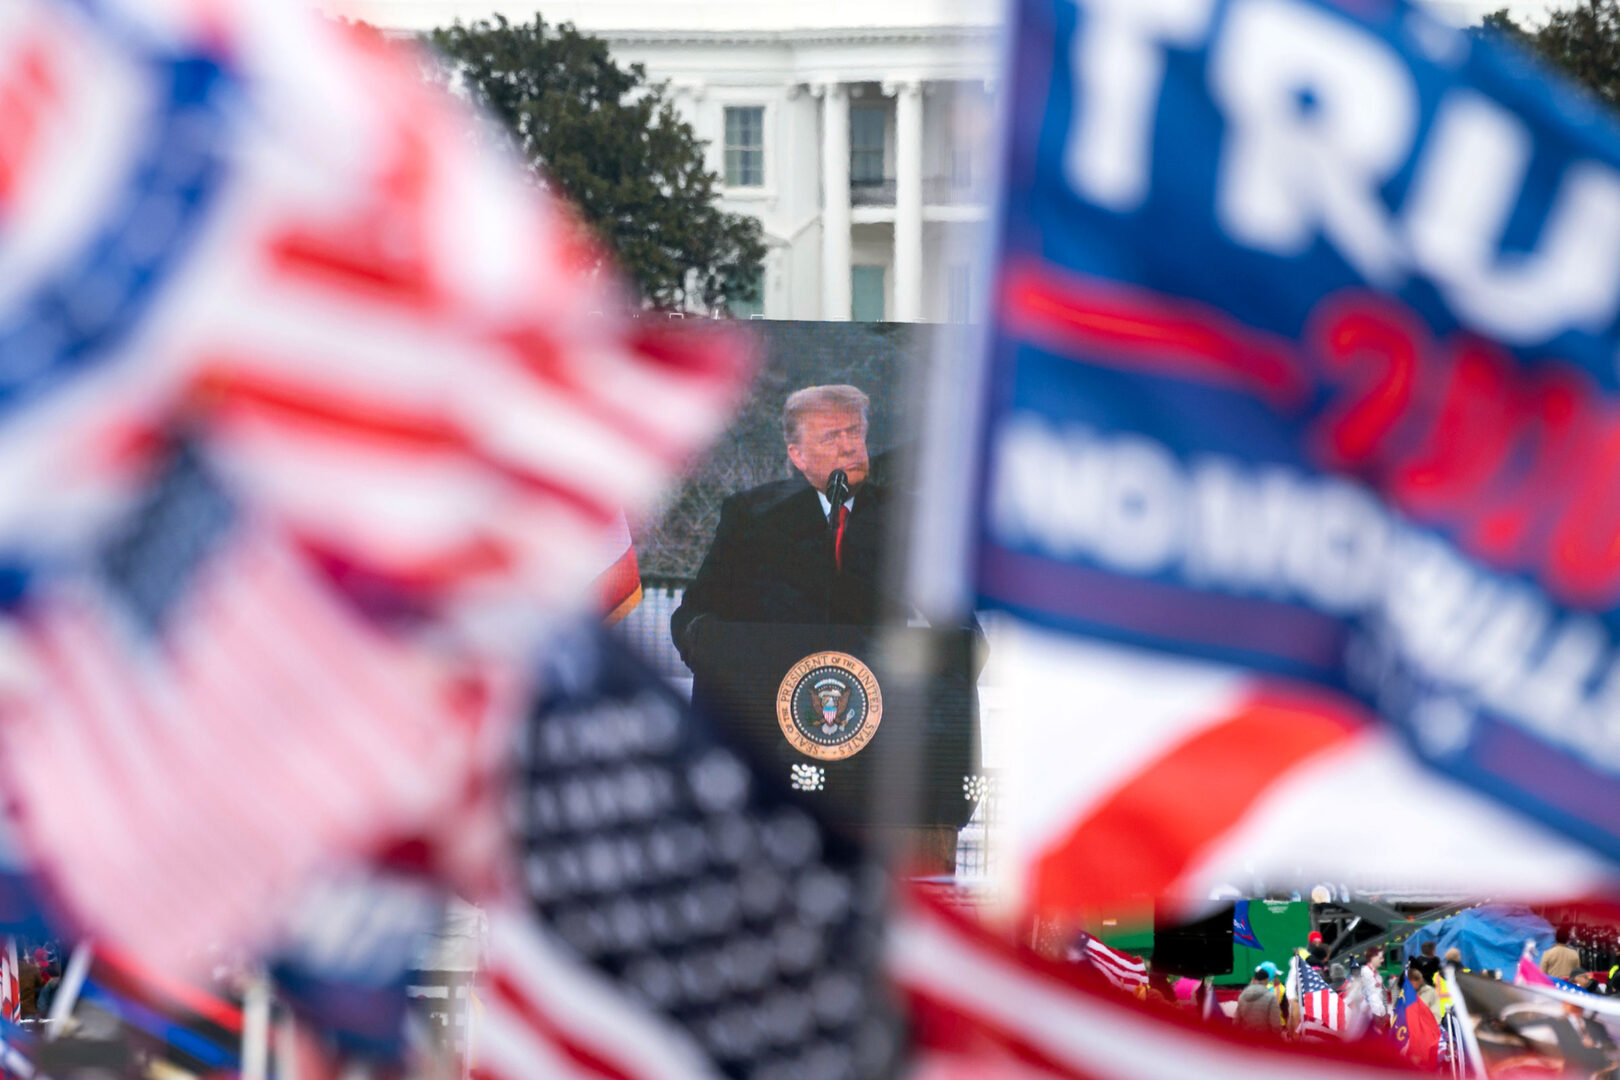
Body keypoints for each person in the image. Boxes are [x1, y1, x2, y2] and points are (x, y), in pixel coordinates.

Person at [672, 384, 889, 651]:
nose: (849, 447)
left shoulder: (905, 515)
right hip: (775, 684)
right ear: (798, 456)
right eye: (831, 437)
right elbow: (694, 619)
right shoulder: (752, 517)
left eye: (855, 432)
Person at [1234, 966, 1282, 1036]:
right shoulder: (1271, 998)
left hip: (1245, 1039)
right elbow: (1275, 1024)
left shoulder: (1242, 996)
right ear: (1267, 980)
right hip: (1264, 1040)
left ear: (1254, 979)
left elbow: (1236, 1022)